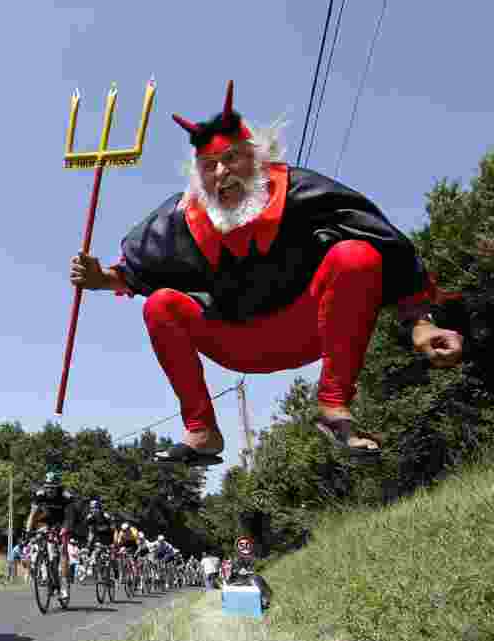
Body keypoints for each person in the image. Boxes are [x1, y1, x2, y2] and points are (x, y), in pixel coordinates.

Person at [69, 80, 464, 465]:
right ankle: (201, 429)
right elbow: (135, 271)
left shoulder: (304, 193)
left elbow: (385, 243)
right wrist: (99, 277)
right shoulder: (181, 218)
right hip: (237, 341)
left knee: (355, 256)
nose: (221, 173)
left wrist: (421, 323)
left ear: (257, 159)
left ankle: (333, 404)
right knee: (161, 305)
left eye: (231, 158)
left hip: (311, 325)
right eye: (209, 166)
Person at [24, 468, 77, 600]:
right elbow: (32, 514)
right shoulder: (40, 494)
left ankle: (64, 585)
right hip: (47, 520)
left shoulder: (65, 496)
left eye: (53, 488)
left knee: (63, 550)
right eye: (47, 487)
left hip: (63, 520)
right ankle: (48, 570)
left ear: (58, 487)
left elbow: (70, 516)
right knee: (49, 551)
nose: (50, 490)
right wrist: (27, 531)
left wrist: (65, 529)